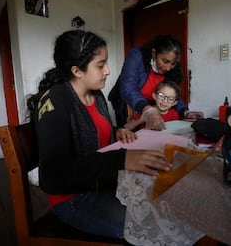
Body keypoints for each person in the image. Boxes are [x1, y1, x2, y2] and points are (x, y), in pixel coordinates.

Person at [26, 30, 172, 239]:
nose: (108, 71)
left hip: (102, 184)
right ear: (77, 70)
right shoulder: (57, 101)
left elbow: (91, 131)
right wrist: (122, 158)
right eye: (101, 65)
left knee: (162, 205)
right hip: (74, 199)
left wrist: (117, 131)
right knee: (148, 225)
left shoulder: (95, 94)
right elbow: (52, 176)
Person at [108, 34, 203, 130]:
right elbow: (128, 87)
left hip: (152, 107)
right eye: (165, 61)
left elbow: (173, 95)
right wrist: (148, 110)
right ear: (154, 53)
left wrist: (185, 112)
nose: (168, 68)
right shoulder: (137, 56)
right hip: (127, 103)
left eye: (173, 64)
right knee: (128, 136)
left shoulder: (173, 72)